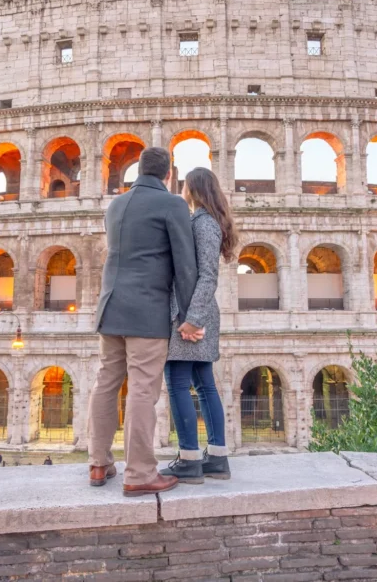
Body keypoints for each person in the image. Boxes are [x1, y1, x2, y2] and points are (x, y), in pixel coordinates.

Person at [88, 146, 199, 497]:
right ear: (168, 174)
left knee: (106, 383)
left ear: (138, 170)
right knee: (141, 390)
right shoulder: (173, 204)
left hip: (110, 308)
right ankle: (139, 472)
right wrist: (190, 315)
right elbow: (184, 264)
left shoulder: (116, 204)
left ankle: (98, 462)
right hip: (146, 310)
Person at [159, 167, 236, 484]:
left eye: (185, 186)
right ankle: (216, 458)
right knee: (204, 385)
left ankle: (190, 458)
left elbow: (207, 275)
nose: (183, 190)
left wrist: (192, 319)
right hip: (196, 313)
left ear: (194, 189)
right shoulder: (206, 221)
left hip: (193, 316)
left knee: (178, 382)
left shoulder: (204, 224)